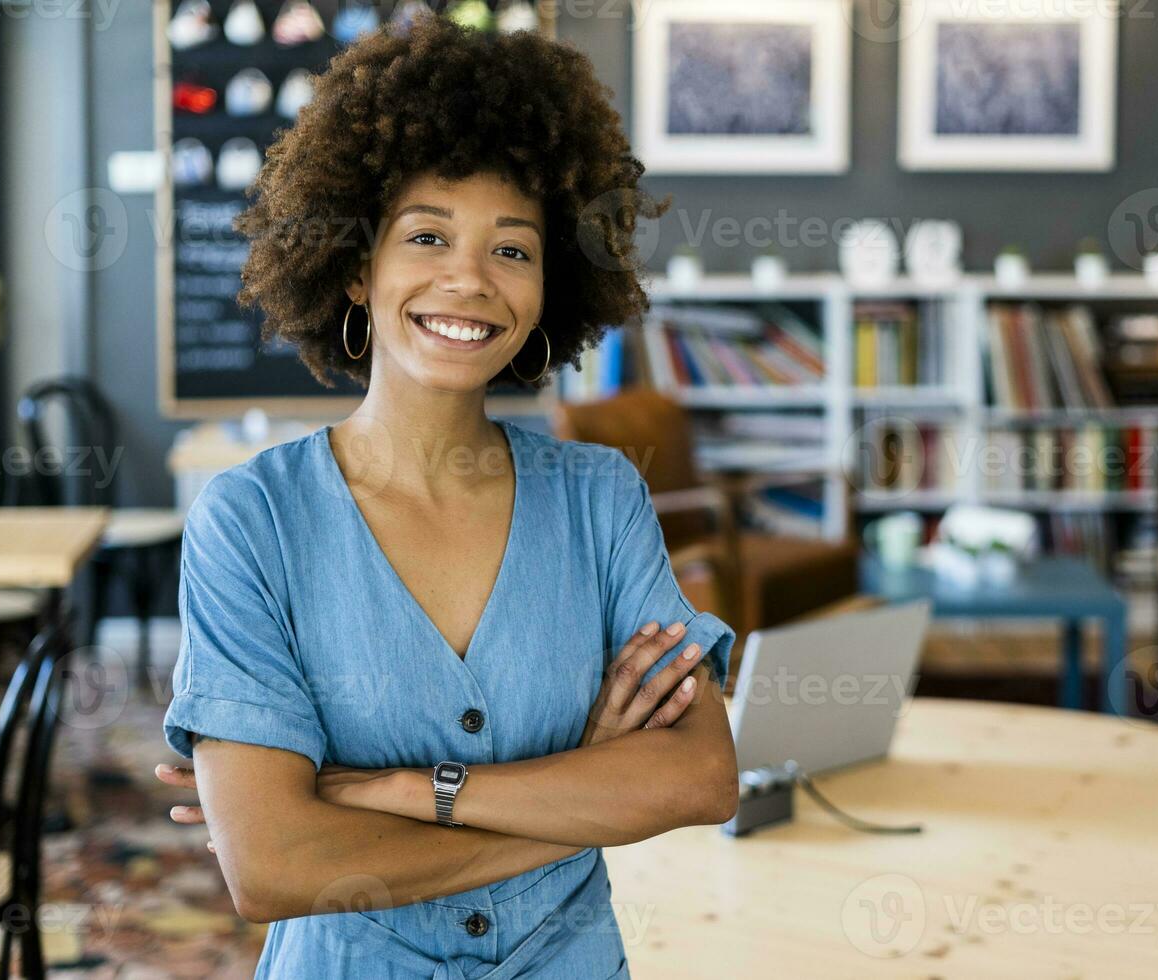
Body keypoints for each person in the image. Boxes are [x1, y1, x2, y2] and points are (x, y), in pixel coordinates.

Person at [154, 14, 738, 978]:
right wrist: (581, 801)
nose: (468, 280)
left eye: (513, 250)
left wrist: (399, 791)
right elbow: (272, 867)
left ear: (551, 285)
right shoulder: (250, 520)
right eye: (427, 236)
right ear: (355, 267)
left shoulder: (600, 498)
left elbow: (700, 776)